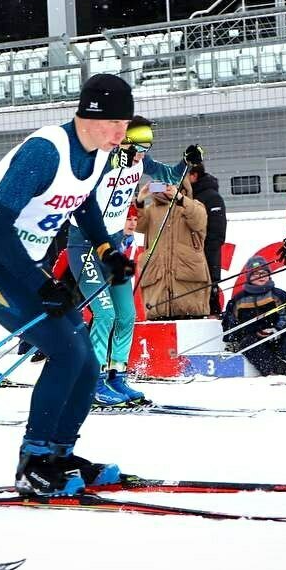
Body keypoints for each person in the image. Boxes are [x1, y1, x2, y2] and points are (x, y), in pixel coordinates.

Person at [0, 72, 135, 497]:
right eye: (115, 124)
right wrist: (40, 283)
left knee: (87, 361)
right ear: (90, 116)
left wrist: (109, 251)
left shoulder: (96, 154)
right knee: (65, 349)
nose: (121, 134)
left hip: (27, 267)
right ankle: (32, 462)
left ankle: (59, 453)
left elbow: (85, 203)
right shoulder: (45, 151)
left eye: (125, 126)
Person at [68, 115, 195, 406]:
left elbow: (172, 177)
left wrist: (187, 162)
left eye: (146, 148)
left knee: (127, 314)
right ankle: (93, 381)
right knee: (105, 314)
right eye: (137, 147)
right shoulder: (101, 158)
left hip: (114, 248)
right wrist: (114, 158)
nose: (142, 154)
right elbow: (85, 177)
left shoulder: (141, 162)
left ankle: (116, 376)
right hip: (85, 246)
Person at [222, 255, 286, 376]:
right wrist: (232, 339)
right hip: (253, 338)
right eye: (255, 274)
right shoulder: (239, 299)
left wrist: (276, 330)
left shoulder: (278, 294)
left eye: (263, 273)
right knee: (248, 345)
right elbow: (231, 321)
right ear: (249, 277)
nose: (260, 276)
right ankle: (281, 369)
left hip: (277, 335)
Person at [135, 177, 210, 320]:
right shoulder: (150, 211)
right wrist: (140, 201)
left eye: (169, 185)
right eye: (160, 185)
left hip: (189, 295)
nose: (164, 189)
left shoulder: (193, 206)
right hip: (157, 297)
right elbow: (136, 224)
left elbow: (199, 221)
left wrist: (180, 198)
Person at [188, 162, 226, 315]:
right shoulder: (187, 195)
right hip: (189, 256)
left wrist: (201, 250)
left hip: (207, 254)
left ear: (194, 176)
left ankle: (212, 313)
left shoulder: (211, 197)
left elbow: (217, 232)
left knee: (209, 288)